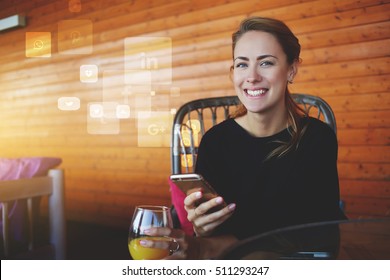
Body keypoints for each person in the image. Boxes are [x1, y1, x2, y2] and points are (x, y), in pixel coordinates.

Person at [140, 16, 346, 259]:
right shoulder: (215, 142)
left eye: (266, 63)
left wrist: (220, 243)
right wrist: (201, 226)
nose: (252, 76)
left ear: (291, 70)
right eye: (242, 64)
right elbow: (208, 235)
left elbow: (318, 229)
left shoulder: (316, 138)